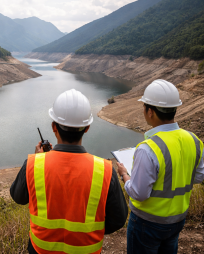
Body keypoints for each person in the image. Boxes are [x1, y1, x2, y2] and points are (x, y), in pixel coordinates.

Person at [10, 89, 128, 254]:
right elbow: (118, 219)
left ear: (53, 127)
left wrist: (39, 159)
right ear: (86, 128)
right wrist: (89, 233)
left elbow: (18, 197)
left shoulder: (33, 164)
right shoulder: (105, 170)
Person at [117, 79, 204, 254]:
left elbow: (139, 194)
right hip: (178, 220)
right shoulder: (194, 140)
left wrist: (125, 176)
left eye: (144, 107)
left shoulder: (148, 148)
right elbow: (198, 177)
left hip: (147, 223)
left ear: (150, 112)